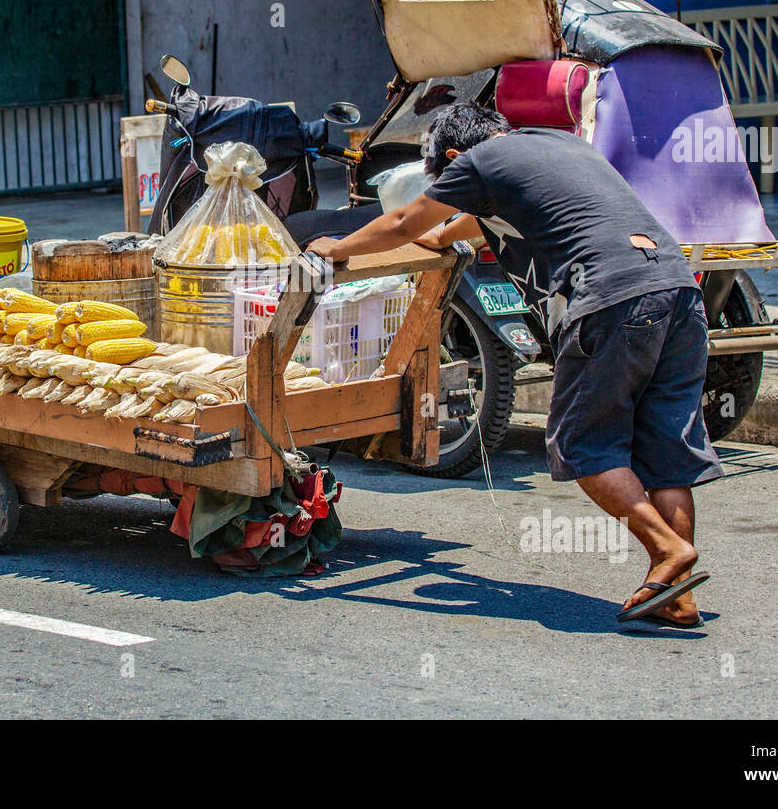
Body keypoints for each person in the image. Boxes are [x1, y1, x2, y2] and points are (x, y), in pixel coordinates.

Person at [306, 104, 719, 628]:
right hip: (677, 289)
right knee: (666, 453)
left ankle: (666, 550)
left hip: (612, 296)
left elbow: (407, 221)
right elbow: (438, 236)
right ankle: (679, 595)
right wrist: (442, 234)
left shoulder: (480, 163)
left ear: (455, 158)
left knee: (581, 444)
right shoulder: (555, 144)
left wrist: (335, 248)